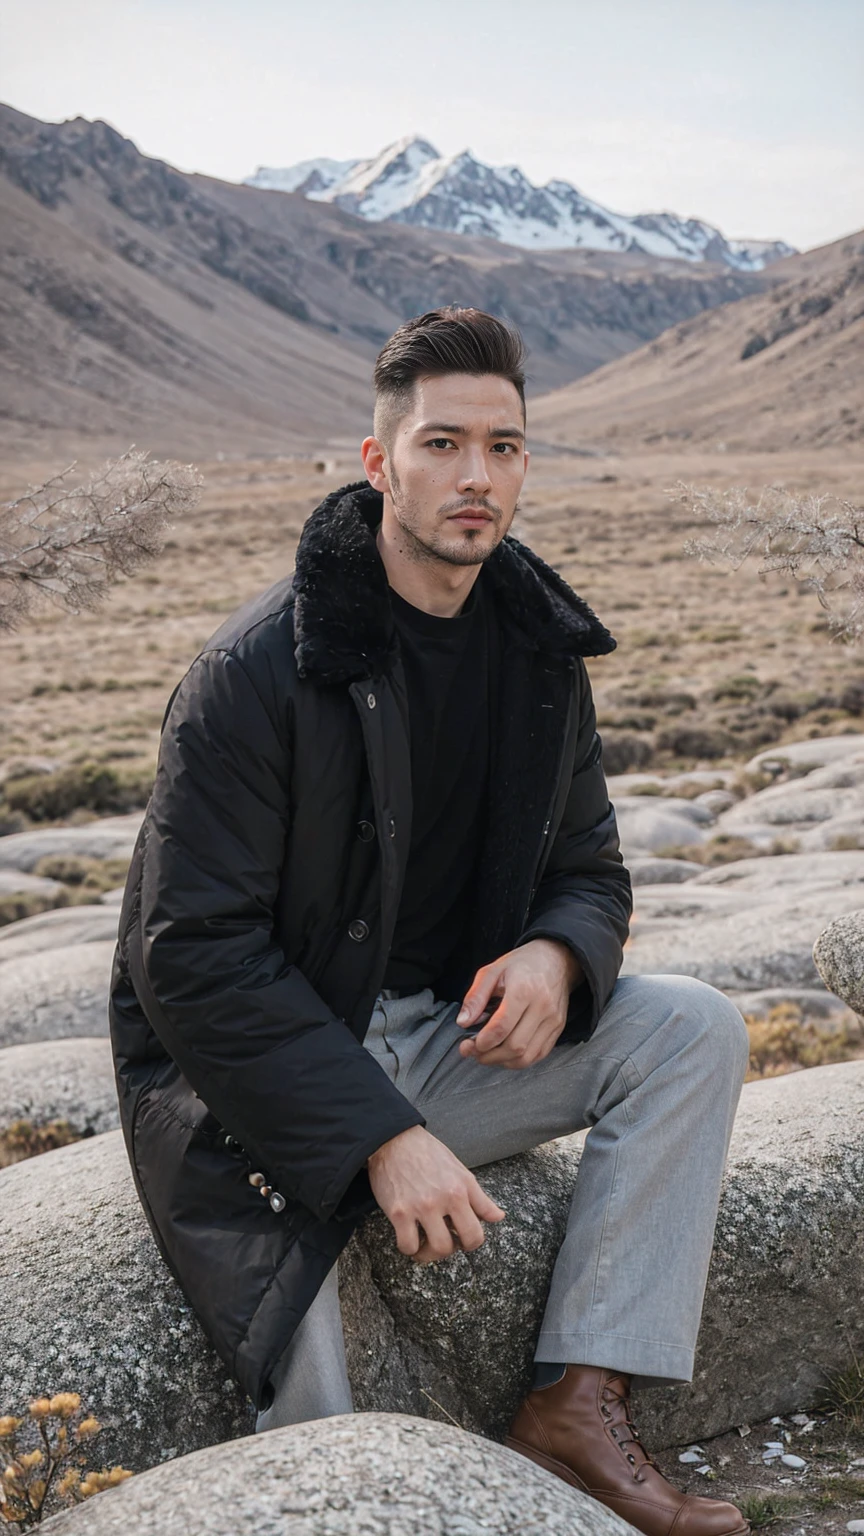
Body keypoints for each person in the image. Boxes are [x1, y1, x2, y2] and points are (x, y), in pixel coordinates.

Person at [109, 306, 751, 1536]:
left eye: (503, 448)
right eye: (444, 444)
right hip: (269, 1070)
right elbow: (190, 960)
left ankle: (578, 1403)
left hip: (448, 1036)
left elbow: (594, 866)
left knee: (694, 1031)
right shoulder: (253, 673)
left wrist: (562, 959)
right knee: (328, 1438)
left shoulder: (539, 652)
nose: (477, 478)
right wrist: (378, 1136)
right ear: (378, 461)